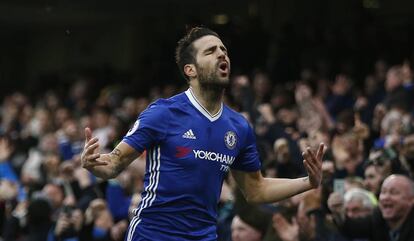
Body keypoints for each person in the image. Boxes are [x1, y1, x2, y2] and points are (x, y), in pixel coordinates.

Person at [81, 27, 325, 241]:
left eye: (223, 50)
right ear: (191, 70)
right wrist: (93, 164)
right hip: (154, 233)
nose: (222, 54)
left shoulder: (239, 126)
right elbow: (114, 163)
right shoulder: (163, 113)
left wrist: (308, 182)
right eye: (210, 51)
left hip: (204, 235)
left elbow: (256, 189)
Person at [328, 174, 414, 241]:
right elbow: (352, 228)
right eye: (383, 192)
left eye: (394, 192)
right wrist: (338, 212)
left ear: (411, 200)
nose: (386, 197)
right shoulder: (378, 216)